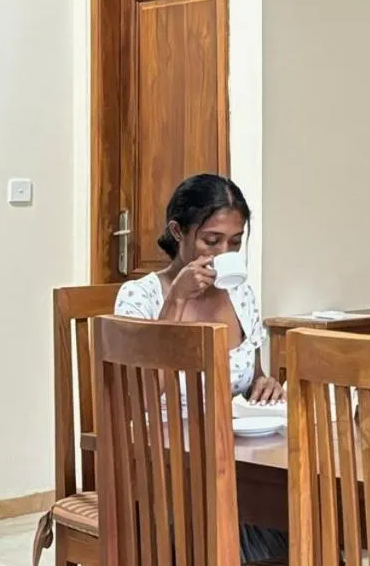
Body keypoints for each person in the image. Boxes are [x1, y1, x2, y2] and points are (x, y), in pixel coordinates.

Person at [114, 173, 287, 563]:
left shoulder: (240, 292)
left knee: (312, 515)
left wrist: (266, 385)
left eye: (235, 242)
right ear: (179, 231)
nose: (223, 252)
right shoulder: (139, 297)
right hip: (163, 468)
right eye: (212, 241)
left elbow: (251, 377)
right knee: (257, 529)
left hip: (235, 459)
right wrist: (175, 302)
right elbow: (140, 396)